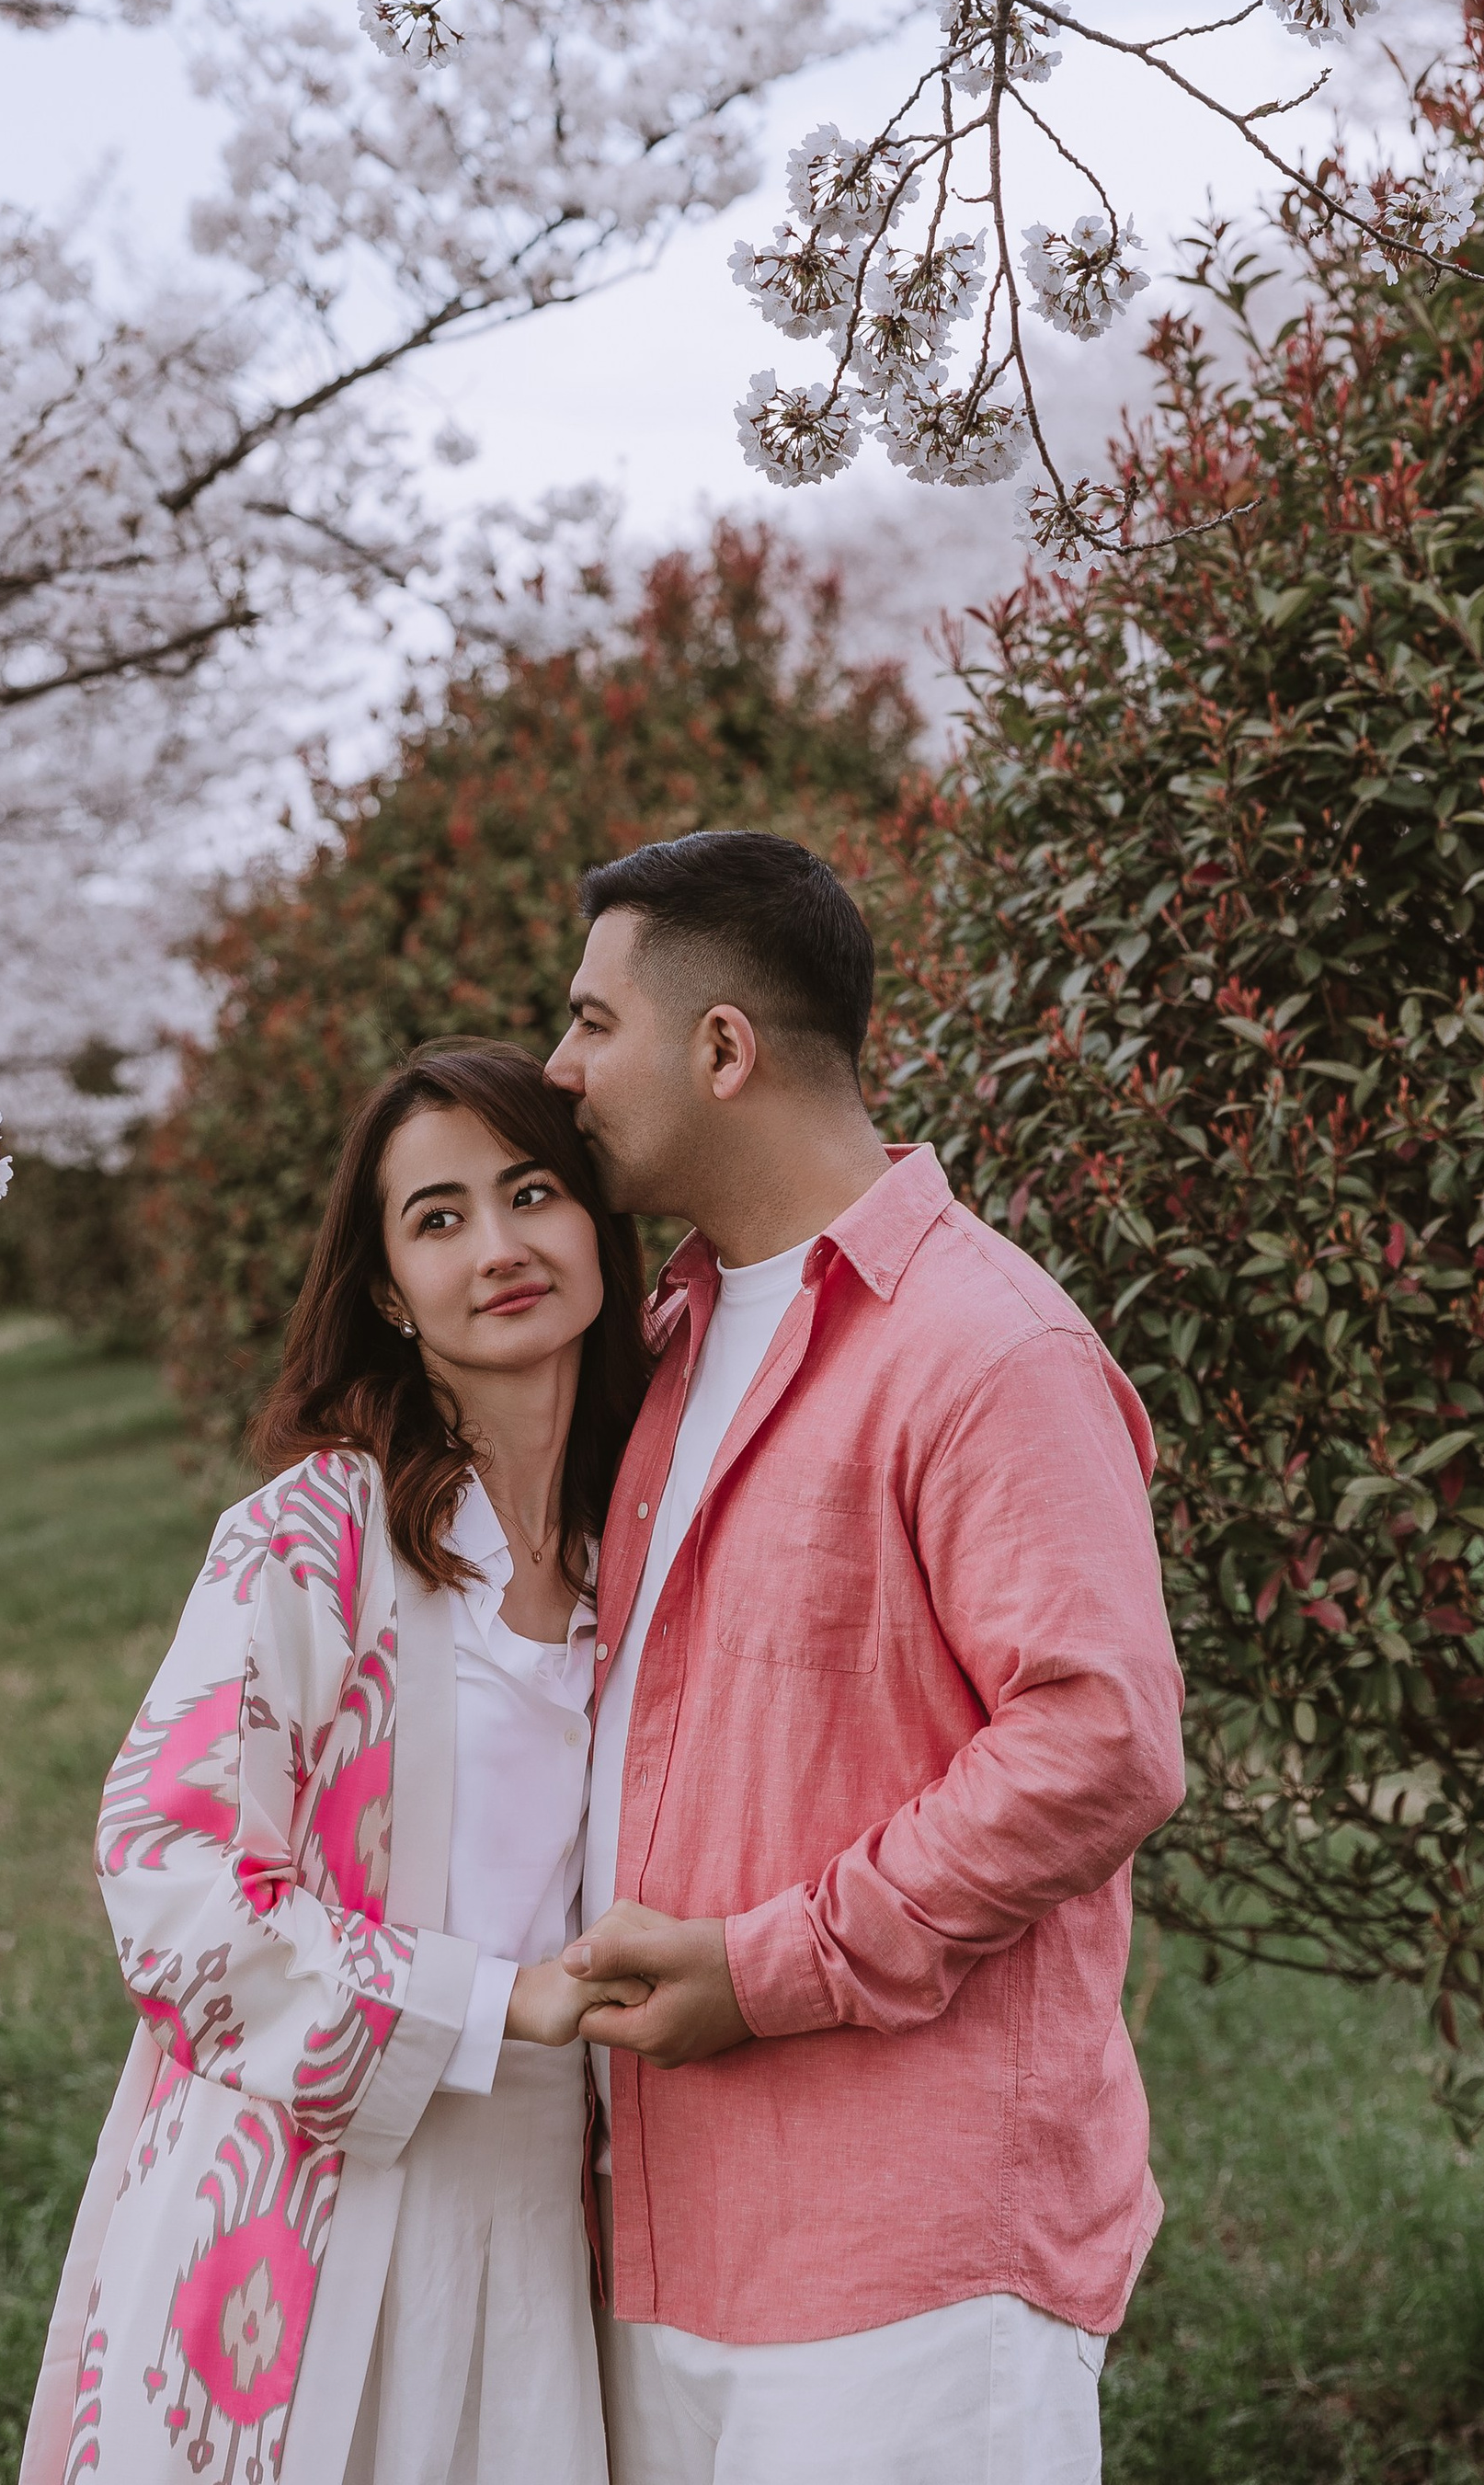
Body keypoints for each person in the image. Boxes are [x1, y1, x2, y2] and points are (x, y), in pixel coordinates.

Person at [544, 831, 1188, 2485]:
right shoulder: (669, 1345)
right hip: (662, 2231)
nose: (561, 1069)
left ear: (724, 1048)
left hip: (903, 2256)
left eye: (592, 1021)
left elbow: (1100, 1743)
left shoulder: (989, 1346)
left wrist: (767, 1970)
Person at [19, 1043, 655, 2485]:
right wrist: (497, 2001)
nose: (498, 1248)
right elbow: (168, 1885)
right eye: (437, 1219)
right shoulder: (313, 1536)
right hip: (305, 2197)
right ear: (385, 1289)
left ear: (594, 1221)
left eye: (531, 1192)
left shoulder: (654, 1546)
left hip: (548, 2216)